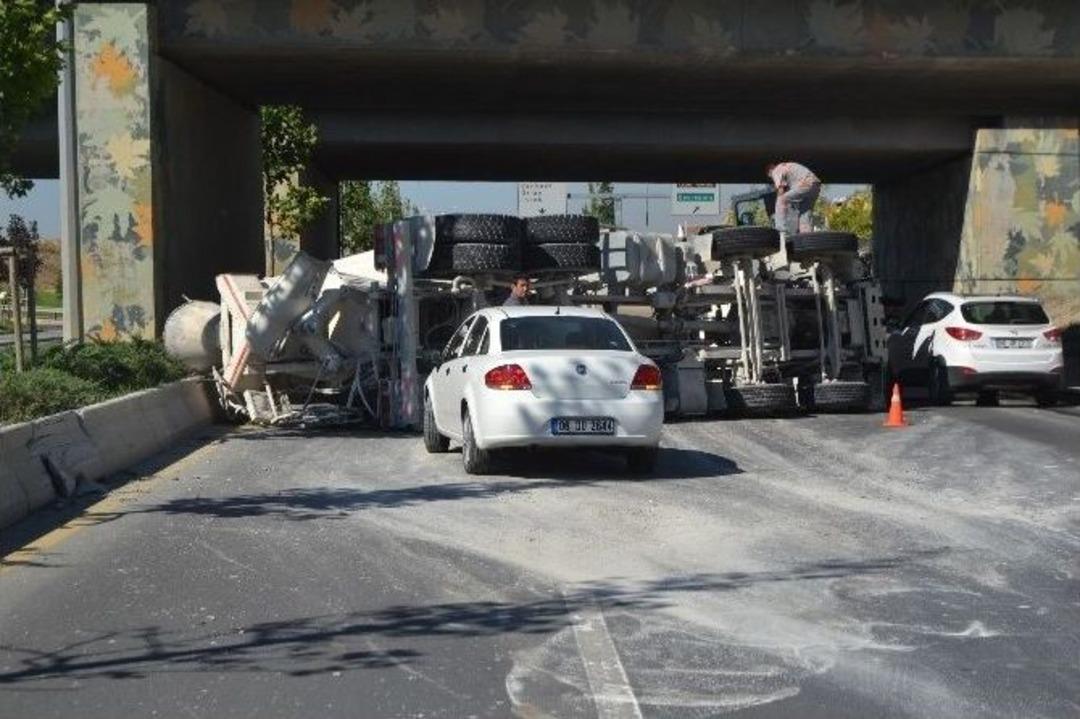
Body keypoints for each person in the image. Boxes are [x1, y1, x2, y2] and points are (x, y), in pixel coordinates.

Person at [767, 161, 821, 235]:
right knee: (804, 212)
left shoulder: (776, 170)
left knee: (780, 200)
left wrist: (782, 205)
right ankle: (806, 236)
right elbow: (793, 193)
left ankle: (780, 229)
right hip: (816, 185)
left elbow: (780, 190)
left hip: (805, 183)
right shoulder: (788, 167)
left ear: (769, 171)